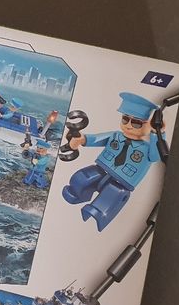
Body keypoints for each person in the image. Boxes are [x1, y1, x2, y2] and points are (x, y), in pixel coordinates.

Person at [62, 92, 162, 231]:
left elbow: (156, 155)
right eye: (125, 119)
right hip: (102, 169)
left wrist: (159, 134)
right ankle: (76, 193)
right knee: (82, 178)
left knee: (112, 196)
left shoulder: (147, 148)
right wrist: (82, 139)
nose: (129, 125)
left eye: (136, 123)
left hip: (122, 182)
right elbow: (97, 139)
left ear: (150, 125)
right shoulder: (116, 135)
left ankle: (97, 214)